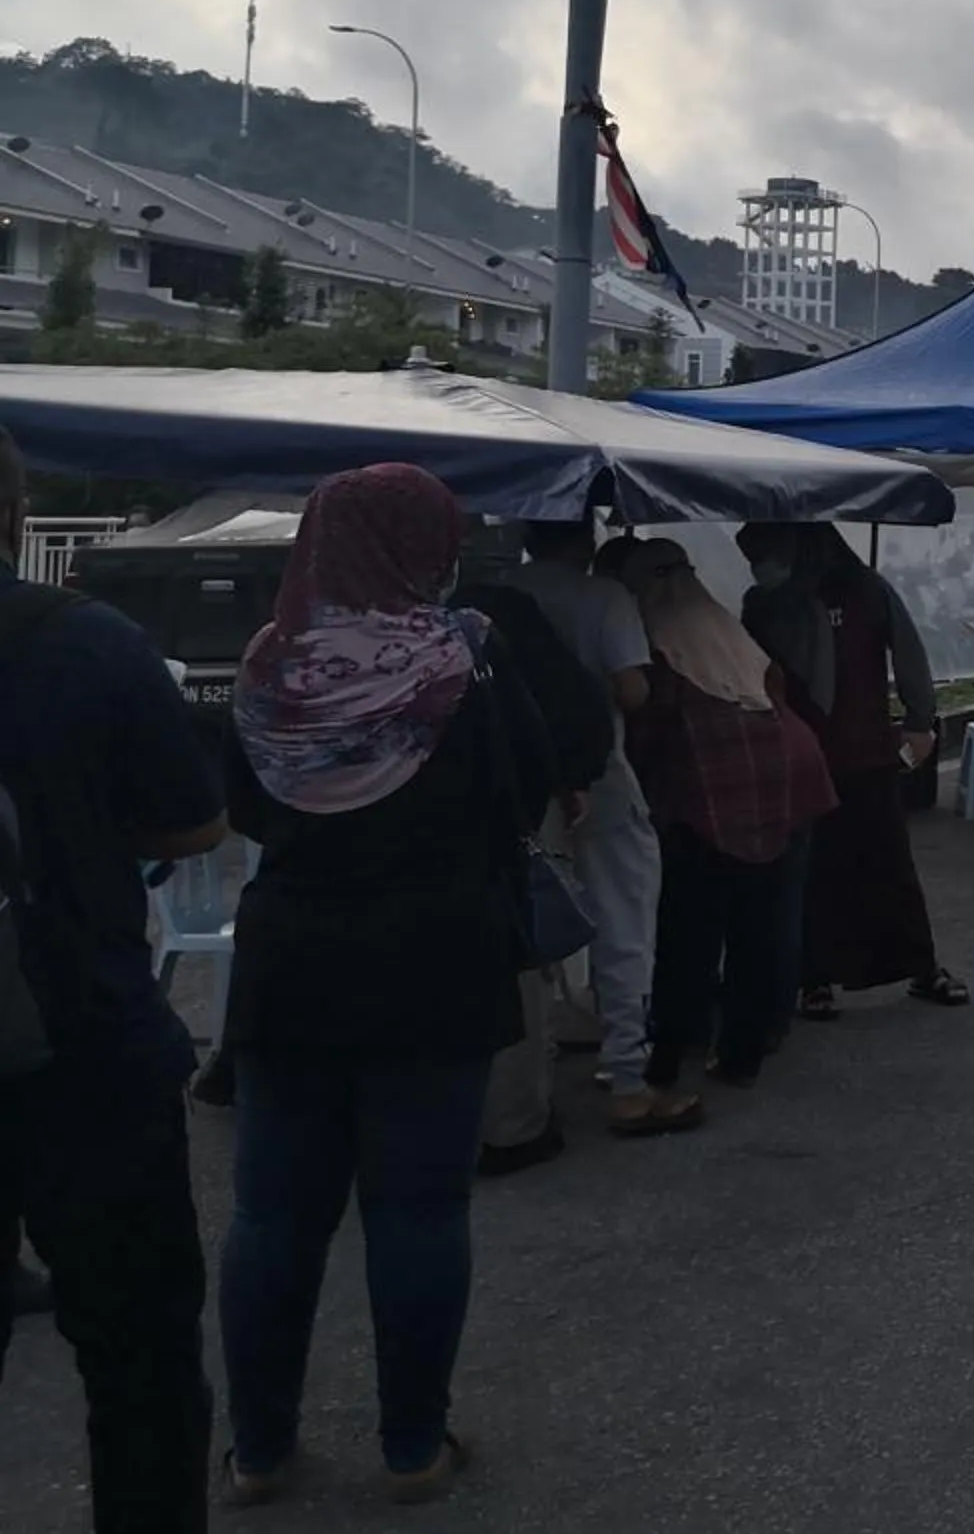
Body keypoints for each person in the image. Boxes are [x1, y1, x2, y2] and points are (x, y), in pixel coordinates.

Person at [218, 464, 562, 1505]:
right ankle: (412, 1445)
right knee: (417, 1211)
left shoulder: (267, 664)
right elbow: (532, 783)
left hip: (292, 964)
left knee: (272, 1216)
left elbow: (242, 805)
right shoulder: (465, 661)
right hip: (435, 962)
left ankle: (258, 1451)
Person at [0, 425, 225, 1534]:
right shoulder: (87, 644)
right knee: (136, 1362)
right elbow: (194, 823)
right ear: (14, 517)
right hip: (82, 1040)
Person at [613, 541, 838, 1093]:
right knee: (768, 913)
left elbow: (646, 728)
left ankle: (681, 1043)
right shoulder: (723, 623)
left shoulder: (653, 640)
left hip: (717, 783)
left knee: (692, 921)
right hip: (791, 768)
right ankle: (753, 1037)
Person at [498, 519, 694, 1138]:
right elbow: (632, 690)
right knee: (625, 920)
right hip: (600, 778)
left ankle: (528, 1083)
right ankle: (629, 1081)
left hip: (522, 785)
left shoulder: (495, 592)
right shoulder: (602, 597)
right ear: (584, 538)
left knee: (532, 927)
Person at [736, 524, 966, 1019]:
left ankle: (920, 968)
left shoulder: (867, 590)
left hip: (865, 753)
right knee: (810, 872)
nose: (761, 564)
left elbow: (909, 655)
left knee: (888, 867)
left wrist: (921, 720)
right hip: (799, 756)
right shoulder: (764, 604)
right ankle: (814, 979)